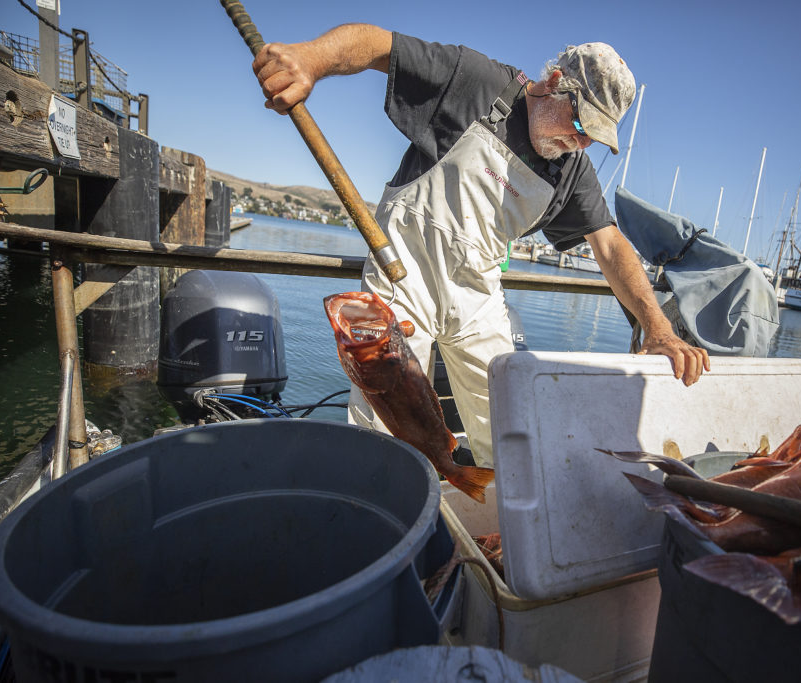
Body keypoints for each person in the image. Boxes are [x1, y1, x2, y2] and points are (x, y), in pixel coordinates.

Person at [253, 25, 710, 466]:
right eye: (579, 122)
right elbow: (377, 45)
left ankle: (496, 520)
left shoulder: (571, 169)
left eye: (592, 136)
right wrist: (311, 58)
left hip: (478, 295)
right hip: (403, 278)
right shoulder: (476, 81)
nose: (579, 141)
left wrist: (657, 328)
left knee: (510, 419)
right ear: (554, 83)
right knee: (385, 422)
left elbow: (609, 245)